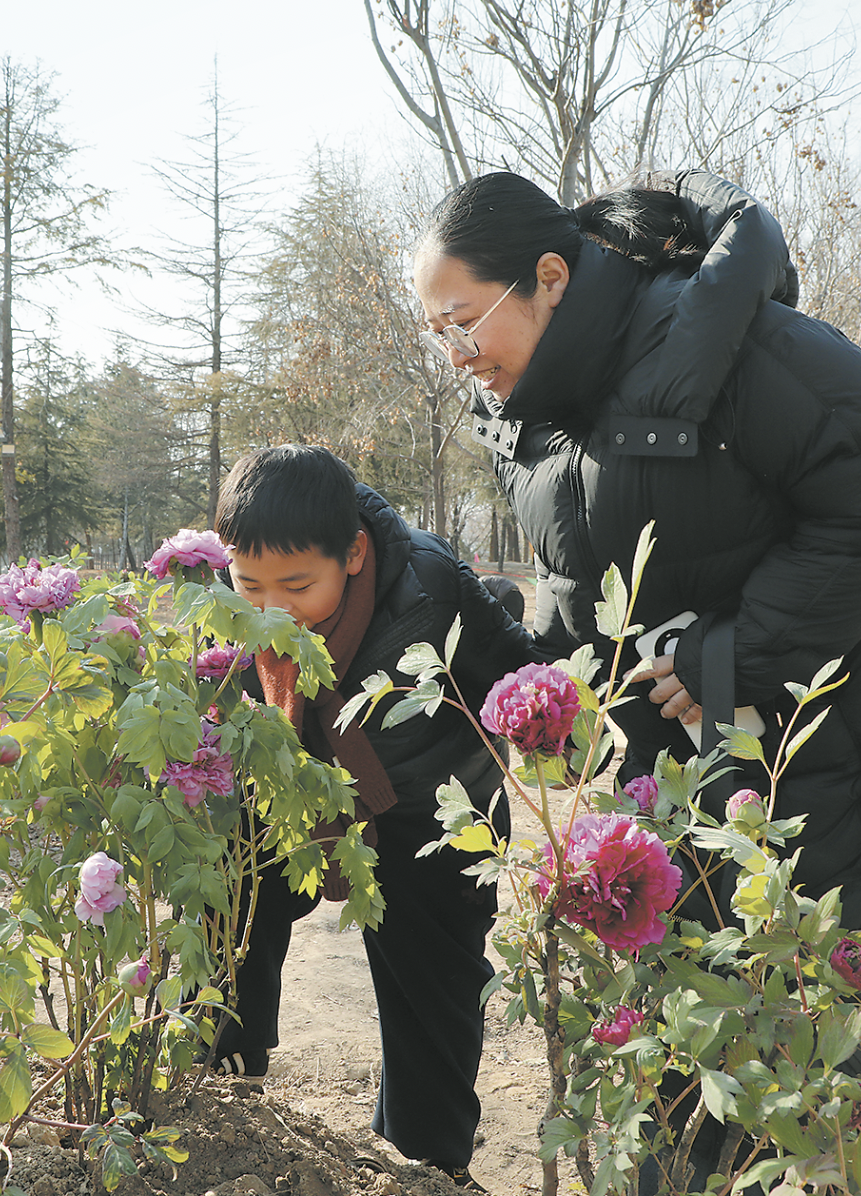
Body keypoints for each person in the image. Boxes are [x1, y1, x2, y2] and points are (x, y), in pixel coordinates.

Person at [411, 172, 861, 1134]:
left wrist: (729, 656)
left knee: (849, 1027)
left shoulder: (718, 338)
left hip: (847, 725)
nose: (455, 356)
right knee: (706, 1037)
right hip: (695, 759)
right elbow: (585, 589)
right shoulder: (534, 421)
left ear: (552, 278)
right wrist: (549, 688)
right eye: (436, 334)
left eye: (462, 322)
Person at [212, 445, 542, 1192]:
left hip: (432, 804)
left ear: (354, 553)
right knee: (224, 893)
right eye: (249, 584)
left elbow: (521, 667)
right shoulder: (236, 593)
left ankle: (426, 1166)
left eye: (297, 586)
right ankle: (221, 1087)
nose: (271, 608)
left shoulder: (432, 586)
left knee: (434, 980)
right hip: (293, 787)